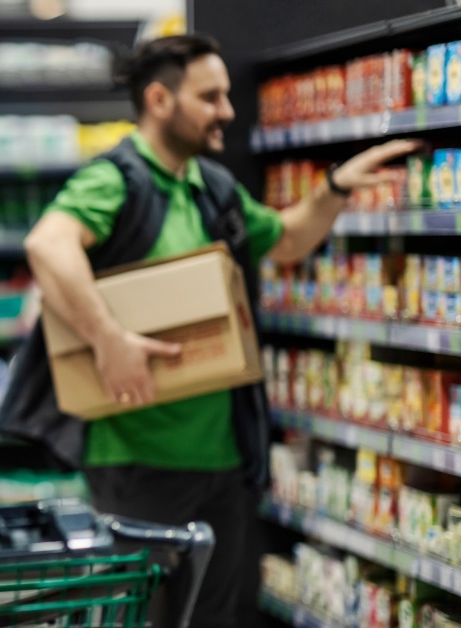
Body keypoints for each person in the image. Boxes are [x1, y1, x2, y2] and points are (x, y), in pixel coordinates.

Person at [23, 34, 418, 627]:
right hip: (138, 462)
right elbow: (47, 243)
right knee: (144, 618)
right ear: (159, 100)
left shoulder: (211, 186)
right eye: (210, 97)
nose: (228, 112)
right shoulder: (118, 181)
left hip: (223, 462)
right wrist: (108, 339)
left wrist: (335, 187)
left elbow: (286, 239)